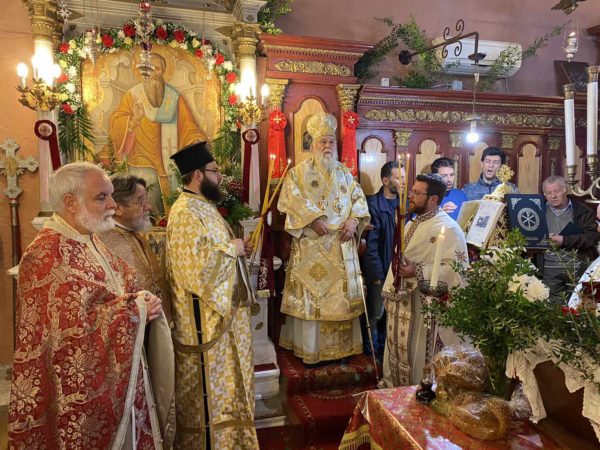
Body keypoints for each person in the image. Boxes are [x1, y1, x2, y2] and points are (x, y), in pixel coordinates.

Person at [8, 162, 164, 449]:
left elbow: (120, 287)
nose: (113, 205)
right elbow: (70, 333)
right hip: (76, 392)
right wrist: (134, 310)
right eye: (102, 197)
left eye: (111, 195)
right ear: (70, 202)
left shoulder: (88, 238)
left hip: (118, 375)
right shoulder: (44, 254)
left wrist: (142, 299)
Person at [165, 141, 259, 449]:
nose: (220, 178)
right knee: (211, 397)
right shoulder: (185, 212)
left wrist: (238, 251)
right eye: (215, 172)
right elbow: (193, 268)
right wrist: (232, 249)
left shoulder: (203, 207)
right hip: (204, 325)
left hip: (220, 320)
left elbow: (213, 252)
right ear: (197, 175)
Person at [278, 112, 370, 364]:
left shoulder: (345, 173)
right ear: (313, 145)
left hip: (340, 246)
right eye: (322, 142)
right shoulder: (298, 173)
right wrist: (312, 219)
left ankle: (342, 351)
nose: (327, 146)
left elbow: (358, 200)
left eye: (331, 142)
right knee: (314, 296)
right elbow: (289, 200)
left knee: (340, 300)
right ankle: (312, 350)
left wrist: (354, 220)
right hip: (312, 246)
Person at [98, 173, 175, 447]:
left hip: (151, 334)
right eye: (141, 201)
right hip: (129, 345)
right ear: (117, 206)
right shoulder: (105, 241)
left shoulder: (135, 234)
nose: (148, 206)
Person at [380, 174, 468, 388]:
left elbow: (456, 270)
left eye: (417, 193)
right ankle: (393, 389)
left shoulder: (449, 229)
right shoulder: (412, 222)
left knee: (417, 356)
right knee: (395, 351)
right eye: (412, 191)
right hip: (400, 301)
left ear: (433, 199)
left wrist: (417, 270)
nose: (410, 196)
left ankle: (415, 392)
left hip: (422, 307)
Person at [109, 52, 207, 213]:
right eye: (150, 69)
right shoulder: (133, 96)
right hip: (142, 159)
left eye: (158, 69)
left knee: (175, 203)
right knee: (146, 199)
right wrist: (134, 120)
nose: (154, 73)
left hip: (169, 159)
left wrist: (196, 140)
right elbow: (116, 123)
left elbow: (189, 127)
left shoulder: (174, 98)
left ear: (164, 71)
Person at [361, 161, 402, 361]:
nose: (402, 182)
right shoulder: (373, 204)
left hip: (399, 269)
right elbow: (371, 244)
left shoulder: (405, 204)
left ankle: (387, 349)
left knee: (394, 314)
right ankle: (372, 351)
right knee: (376, 312)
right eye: (398, 178)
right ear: (386, 181)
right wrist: (376, 274)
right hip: (381, 268)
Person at [541, 175, 599, 303]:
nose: (553, 196)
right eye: (548, 193)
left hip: (578, 267)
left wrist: (564, 240)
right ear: (544, 195)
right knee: (552, 308)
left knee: (579, 305)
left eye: (556, 191)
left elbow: (592, 238)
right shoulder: (538, 211)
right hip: (549, 269)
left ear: (565, 190)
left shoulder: (583, 211)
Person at [431, 157, 468, 221]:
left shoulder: (462, 195)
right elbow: (417, 224)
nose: (449, 180)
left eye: (452, 175)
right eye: (444, 176)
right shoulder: (424, 198)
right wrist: (439, 214)